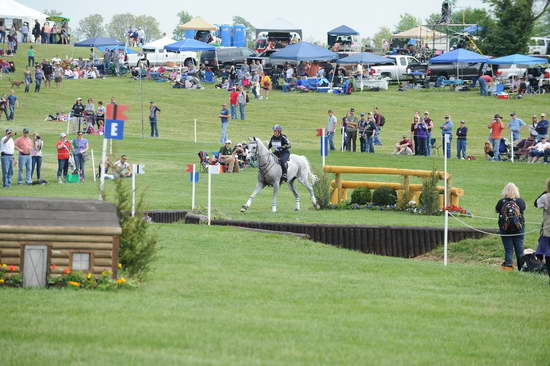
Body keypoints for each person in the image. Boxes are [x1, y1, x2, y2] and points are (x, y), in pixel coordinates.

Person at [495, 183, 526, 271]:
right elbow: (523, 209)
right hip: (519, 229)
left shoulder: (501, 201)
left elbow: (497, 210)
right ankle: (521, 268)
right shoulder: (520, 201)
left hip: (505, 229)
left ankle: (508, 266)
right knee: (519, 250)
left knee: (508, 249)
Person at [534, 179, 550, 281]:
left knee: (547, 254)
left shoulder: (545, 197)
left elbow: (536, 203)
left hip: (548, 230)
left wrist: (545, 192)